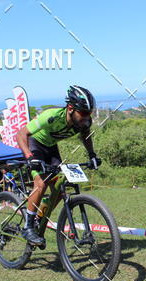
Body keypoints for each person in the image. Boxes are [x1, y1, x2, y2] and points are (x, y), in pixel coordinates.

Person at [15, 85, 102, 246]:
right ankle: (28, 226)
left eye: (89, 113)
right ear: (70, 108)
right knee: (41, 184)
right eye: (83, 113)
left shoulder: (84, 122)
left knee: (60, 187)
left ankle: (40, 217)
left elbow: (86, 136)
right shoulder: (51, 116)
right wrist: (29, 157)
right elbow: (20, 134)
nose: (86, 118)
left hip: (51, 148)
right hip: (34, 145)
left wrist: (92, 155)